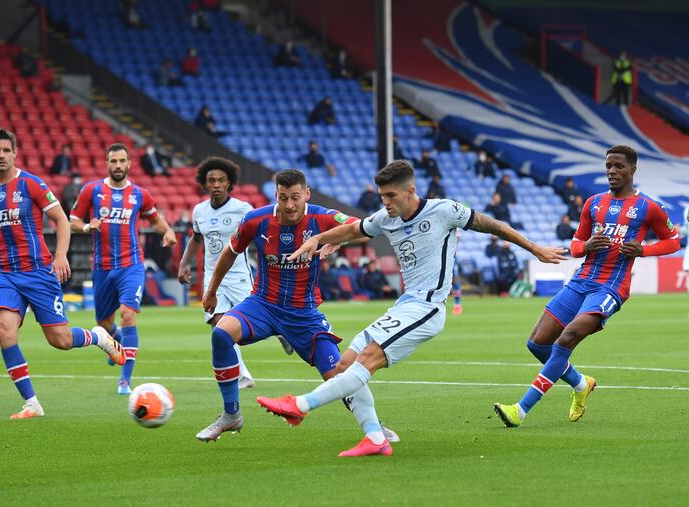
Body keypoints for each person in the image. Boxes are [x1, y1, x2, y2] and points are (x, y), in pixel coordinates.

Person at [256, 160, 565, 456]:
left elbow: (492, 225)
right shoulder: (385, 218)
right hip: (405, 305)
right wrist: (320, 239)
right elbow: (353, 230)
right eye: (382, 196)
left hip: (428, 307)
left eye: (391, 196)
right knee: (342, 367)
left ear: (410, 191)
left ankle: (299, 405)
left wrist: (535, 249)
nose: (386, 202)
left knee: (366, 360)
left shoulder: (444, 210)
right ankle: (375, 437)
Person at [196, 168, 399, 444]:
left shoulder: (321, 216)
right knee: (221, 332)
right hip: (263, 305)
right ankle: (231, 415)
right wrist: (211, 291)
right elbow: (230, 253)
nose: (289, 205)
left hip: (304, 313)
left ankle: (373, 427)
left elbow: (362, 229)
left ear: (307, 194)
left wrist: (334, 239)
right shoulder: (256, 220)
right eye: (283, 198)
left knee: (339, 373)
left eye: (295, 197)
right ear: (275, 195)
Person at [493, 145, 680, 428]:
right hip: (581, 280)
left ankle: (520, 410)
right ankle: (581, 384)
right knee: (537, 343)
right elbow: (576, 244)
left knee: (566, 340)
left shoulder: (648, 207)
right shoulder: (593, 203)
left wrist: (643, 250)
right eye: (608, 166)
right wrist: (587, 245)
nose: (612, 172)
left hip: (611, 287)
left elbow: (673, 241)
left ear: (632, 170)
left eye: (618, 166)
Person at [0, 127, 126, 419]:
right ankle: (32, 403)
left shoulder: (32, 184)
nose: (1, 156)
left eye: (6, 150)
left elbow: (60, 220)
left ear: (15, 152)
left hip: (38, 272)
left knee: (60, 340)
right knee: (4, 331)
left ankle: (99, 337)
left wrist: (60, 256)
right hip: (6, 273)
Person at [178, 157, 293, 391]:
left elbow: (261, 238)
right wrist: (183, 263)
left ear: (230, 183)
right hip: (212, 276)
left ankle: (281, 331)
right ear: (205, 184)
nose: (217, 185)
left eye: (222, 180)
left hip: (239, 274)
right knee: (219, 325)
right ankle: (243, 375)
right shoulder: (199, 211)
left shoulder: (243, 209)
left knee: (256, 319)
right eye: (212, 181)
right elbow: (197, 238)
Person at [70, 143, 176, 394]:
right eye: (113, 161)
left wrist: (169, 230)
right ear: (107, 164)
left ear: (129, 164)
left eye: (121, 161)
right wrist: (87, 227)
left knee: (128, 314)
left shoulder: (140, 194)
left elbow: (155, 219)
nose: (117, 165)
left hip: (131, 265)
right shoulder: (91, 190)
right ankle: (115, 344)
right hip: (102, 267)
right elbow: (72, 221)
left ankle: (125, 380)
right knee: (104, 322)